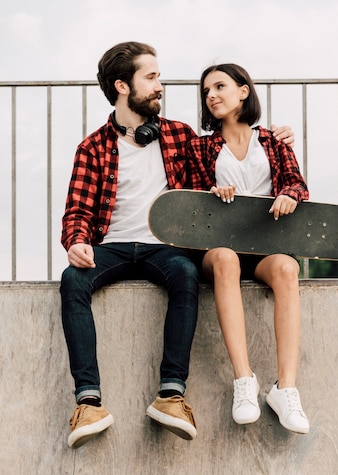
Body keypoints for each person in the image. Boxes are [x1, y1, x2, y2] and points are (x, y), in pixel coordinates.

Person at [60, 42, 294, 449]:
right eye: (151, 77)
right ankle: (88, 401)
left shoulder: (179, 137)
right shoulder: (93, 148)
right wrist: (77, 242)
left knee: (186, 273)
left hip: (164, 248)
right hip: (111, 246)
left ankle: (171, 395)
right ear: (121, 85)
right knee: (71, 280)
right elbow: (77, 211)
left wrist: (271, 136)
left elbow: (223, 155)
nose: (160, 85)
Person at [186, 63, 310, 434]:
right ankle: (244, 381)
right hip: (219, 247)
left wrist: (289, 195)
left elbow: (297, 184)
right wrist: (211, 194)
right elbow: (190, 201)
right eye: (206, 90)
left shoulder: (273, 141)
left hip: (264, 247)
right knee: (225, 259)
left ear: (243, 91)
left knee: (288, 268)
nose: (211, 95)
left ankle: (285, 389)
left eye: (220, 86)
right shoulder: (200, 146)